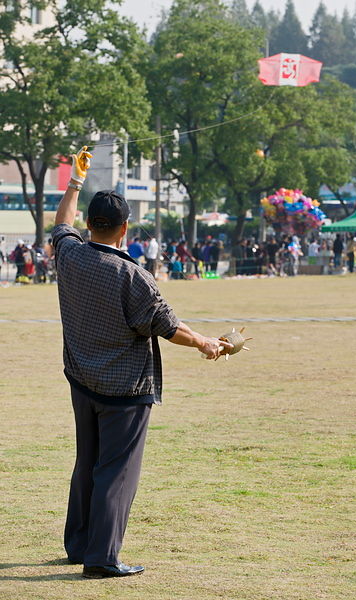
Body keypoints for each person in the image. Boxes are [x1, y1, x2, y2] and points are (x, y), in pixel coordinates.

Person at [52, 147, 232, 579]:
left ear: (91, 224)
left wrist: (76, 181)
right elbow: (169, 328)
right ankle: (102, 557)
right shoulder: (132, 275)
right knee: (117, 472)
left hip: (81, 380)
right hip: (125, 392)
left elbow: (61, 223)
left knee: (88, 464)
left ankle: (79, 545)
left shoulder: (70, 255)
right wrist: (207, 343)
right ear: (125, 227)